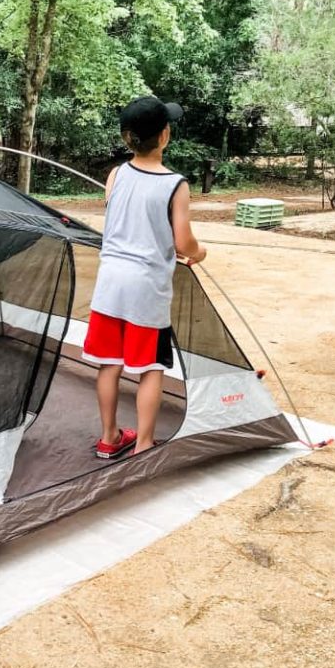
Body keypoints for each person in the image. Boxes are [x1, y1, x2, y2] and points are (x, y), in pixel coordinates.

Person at [83, 95, 207, 458]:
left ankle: (109, 438)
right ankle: (143, 444)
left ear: (127, 138)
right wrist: (199, 253)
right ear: (165, 135)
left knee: (110, 364)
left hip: (110, 284)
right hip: (146, 291)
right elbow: (183, 242)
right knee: (150, 368)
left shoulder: (116, 174)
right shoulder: (175, 185)